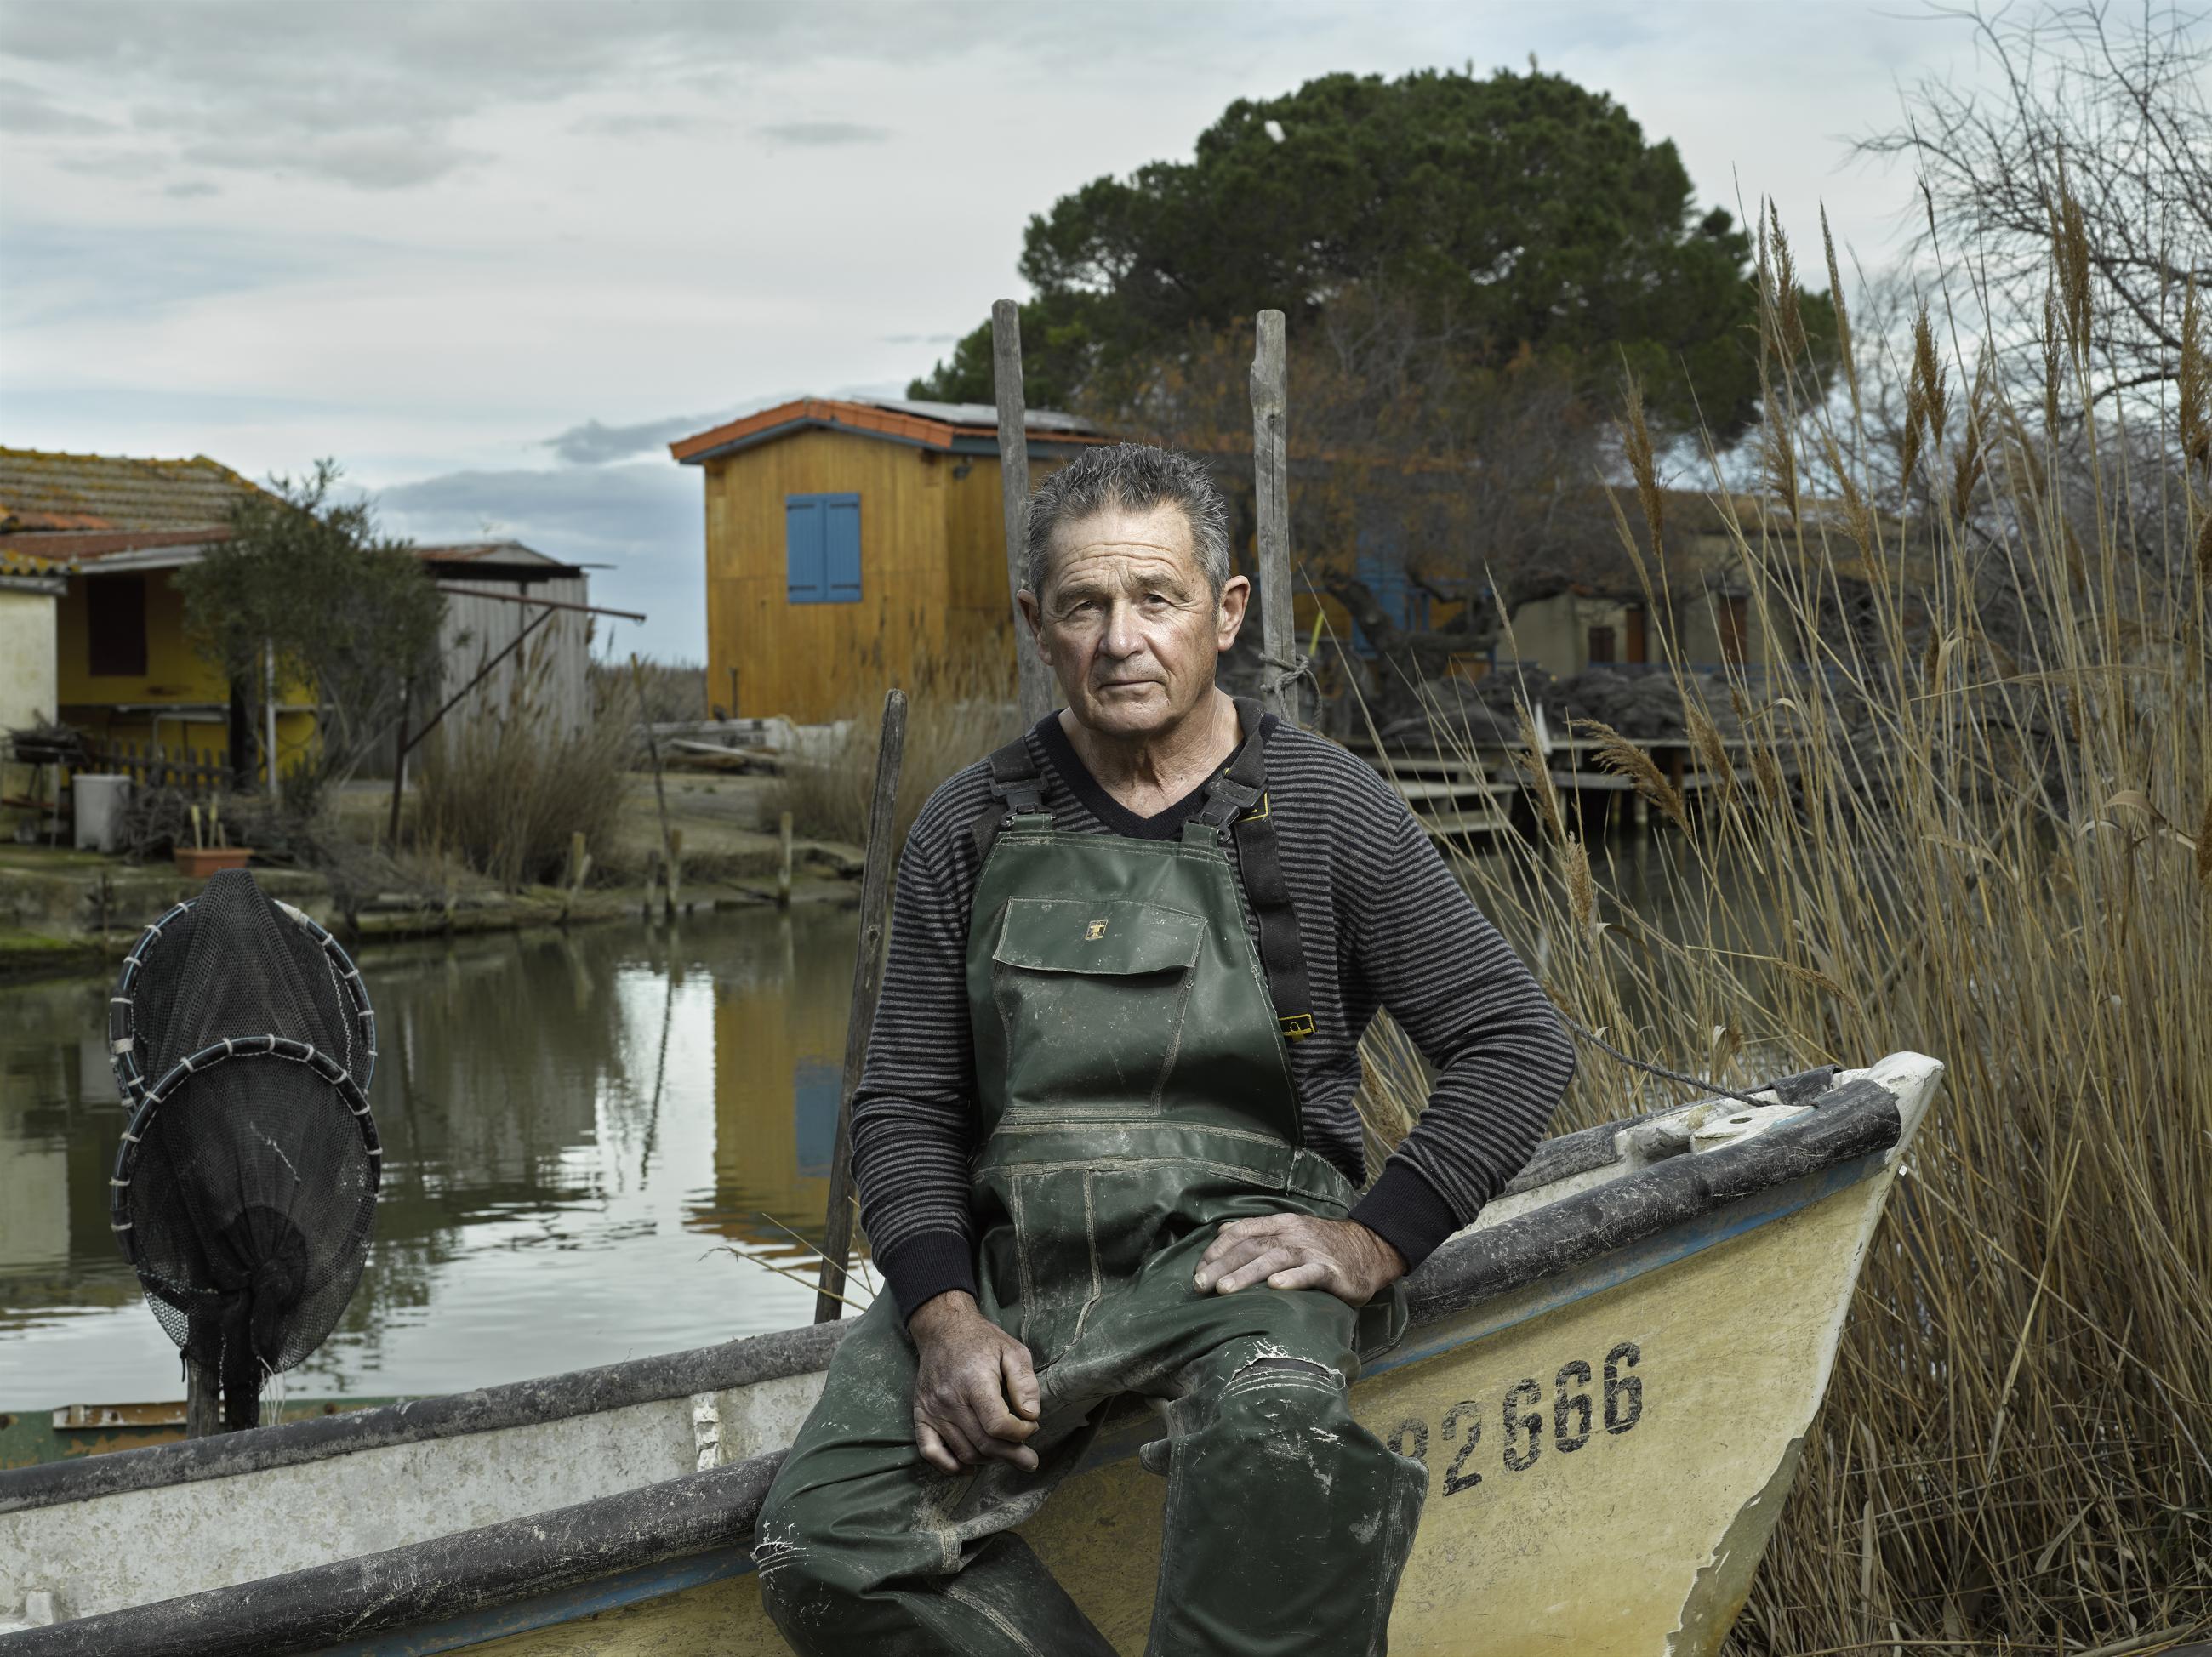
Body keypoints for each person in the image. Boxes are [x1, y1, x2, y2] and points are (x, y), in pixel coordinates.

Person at [755, 442, 1574, 1654]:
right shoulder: (968, 823)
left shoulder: (1324, 807)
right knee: (822, 1549)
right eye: (1084, 605)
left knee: (1276, 1450)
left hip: (1235, 1277)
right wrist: (941, 1318)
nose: (1120, 639)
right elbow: (904, 1109)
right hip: (1013, 1273)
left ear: (1226, 611)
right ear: (1040, 623)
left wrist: (1369, 1239)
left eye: (1157, 599)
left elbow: (1515, 1041)